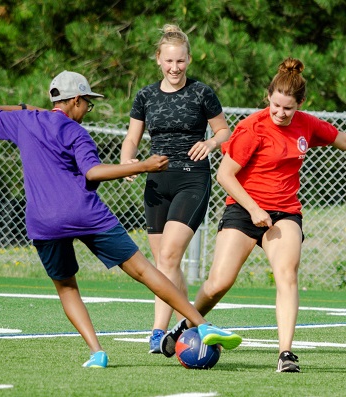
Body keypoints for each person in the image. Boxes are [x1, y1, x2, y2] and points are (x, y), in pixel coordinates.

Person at [160, 58, 346, 371]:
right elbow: (225, 176)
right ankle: (186, 325)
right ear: (267, 98)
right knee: (218, 283)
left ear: (300, 104)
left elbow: (344, 140)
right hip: (244, 211)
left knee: (287, 274)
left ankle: (285, 354)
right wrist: (254, 208)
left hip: (284, 213)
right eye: (275, 106)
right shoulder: (251, 128)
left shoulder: (306, 125)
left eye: (288, 108)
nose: (281, 114)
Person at [0, 70, 241, 369]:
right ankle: (200, 323)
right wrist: (142, 166)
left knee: (67, 288)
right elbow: (92, 172)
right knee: (143, 270)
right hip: (84, 212)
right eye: (86, 103)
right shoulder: (77, 133)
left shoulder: (25, 122)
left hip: (43, 221)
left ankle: (96, 352)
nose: (87, 110)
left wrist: (29, 110)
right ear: (74, 100)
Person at [120, 24, 232, 354]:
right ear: (158, 59)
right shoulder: (145, 95)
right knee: (165, 265)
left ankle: (157, 332)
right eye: (169, 61)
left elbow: (225, 131)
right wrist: (128, 161)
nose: (174, 68)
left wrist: (211, 143)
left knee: (168, 258)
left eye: (181, 62)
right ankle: (194, 325)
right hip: (157, 183)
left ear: (189, 60)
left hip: (191, 179)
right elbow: (132, 138)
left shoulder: (202, 93)